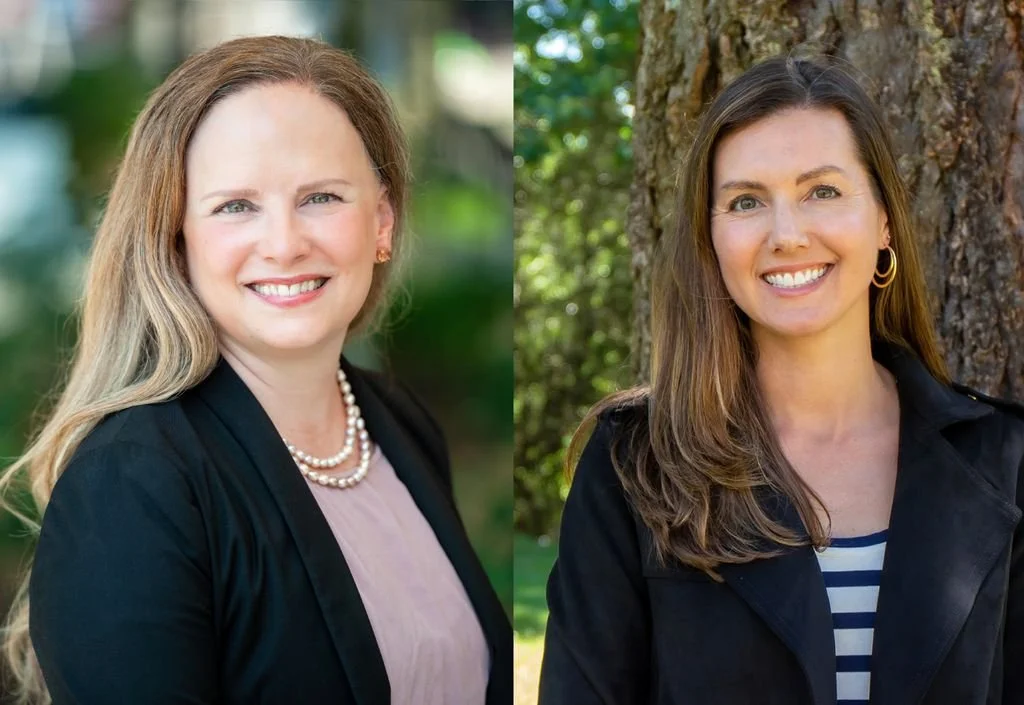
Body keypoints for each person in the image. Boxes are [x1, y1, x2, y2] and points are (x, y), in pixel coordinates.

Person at [1, 35, 511, 705]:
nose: (285, 243)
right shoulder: (131, 484)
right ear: (175, 239)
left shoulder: (397, 422)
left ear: (381, 221)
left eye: (321, 197)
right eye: (236, 205)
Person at [538, 55, 1022, 705]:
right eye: (746, 201)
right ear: (710, 238)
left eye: (822, 190)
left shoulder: (1005, 459)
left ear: (882, 220)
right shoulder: (633, 464)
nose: (787, 234)